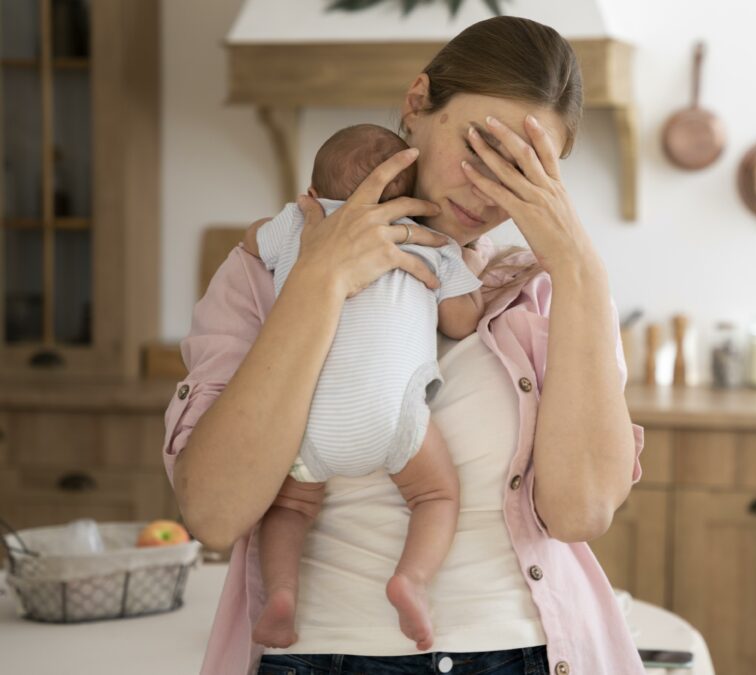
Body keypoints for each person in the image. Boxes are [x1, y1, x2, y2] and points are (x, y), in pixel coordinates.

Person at [162, 15, 646, 675]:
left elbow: (580, 509)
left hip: (526, 655)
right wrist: (319, 280)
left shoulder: (546, 294)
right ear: (417, 105)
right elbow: (215, 512)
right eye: (479, 151)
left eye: (523, 171)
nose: (487, 191)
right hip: (318, 659)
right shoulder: (265, 271)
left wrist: (578, 265)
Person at [245, 122, 488, 651]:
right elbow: (462, 323)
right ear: (414, 199)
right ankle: (411, 581)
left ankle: (281, 597)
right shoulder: (431, 242)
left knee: (288, 509)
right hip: (391, 415)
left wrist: (291, 221)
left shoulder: (298, 225)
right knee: (436, 495)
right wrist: (467, 267)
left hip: (306, 416)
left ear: (312, 194)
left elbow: (248, 245)